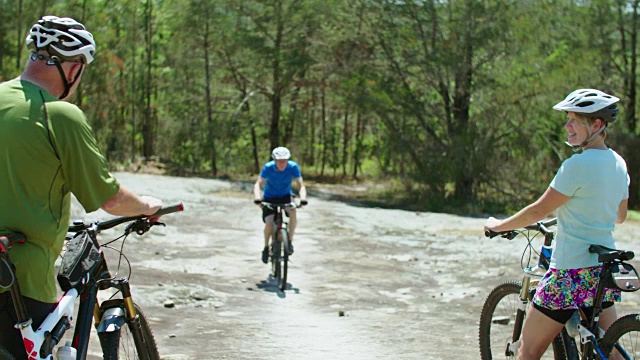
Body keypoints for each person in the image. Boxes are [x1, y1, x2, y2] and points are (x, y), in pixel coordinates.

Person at [0, 16, 163, 359]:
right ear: (72, 68)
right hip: (21, 278)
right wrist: (147, 205)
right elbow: (110, 198)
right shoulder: (59, 115)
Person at [484, 89, 629, 360]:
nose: (567, 126)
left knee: (528, 351)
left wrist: (499, 225)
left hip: (570, 273)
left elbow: (538, 210)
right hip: (602, 272)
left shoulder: (577, 165)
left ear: (596, 125)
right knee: (610, 350)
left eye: (574, 120)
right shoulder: (619, 164)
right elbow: (620, 216)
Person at [254, 146, 308, 264]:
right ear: (274, 160)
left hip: (285, 196)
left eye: (285, 160)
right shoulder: (268, 167)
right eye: (279, 161)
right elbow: (258, 184)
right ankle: (266, 247)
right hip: (269, 197)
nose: (282, 163)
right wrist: (258, 198)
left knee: (293, 210)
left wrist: (303, 198)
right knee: (269, 223)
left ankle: (289, 241)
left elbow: (301, 184)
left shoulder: (293, 167)